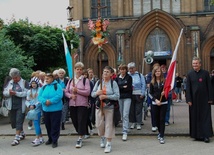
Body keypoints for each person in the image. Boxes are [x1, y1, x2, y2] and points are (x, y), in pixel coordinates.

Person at [91, 66, 120, 153]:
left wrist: (106, 96)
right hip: (99, 107)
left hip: (109, 107)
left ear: (111, 74)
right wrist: (97, 93)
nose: (105, 73)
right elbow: (92, 94)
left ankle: (108, 143)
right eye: (104, 71)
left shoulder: (113, 83)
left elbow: (117, 96)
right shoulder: (99, 82)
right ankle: (103, 137)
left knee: (109, 125)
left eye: (107, 72)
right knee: (99, 125)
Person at [186, 57, 213, 143]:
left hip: (204, 100)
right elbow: (188, 88)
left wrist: (210, 98)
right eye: (193, 64)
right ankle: (196, 135)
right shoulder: (189, 74)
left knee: (205, 118)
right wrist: (188, 99)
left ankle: (206, 135)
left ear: (200, 64)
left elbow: (209, 86)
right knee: (195, 117)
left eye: (196, 63)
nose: (195, 65)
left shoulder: (205, 73)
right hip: (193, 100)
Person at [65, 62, 91, 148]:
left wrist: (78, 91)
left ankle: (80, 137)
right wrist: (70, 95)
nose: (79, 71)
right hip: (72, 104)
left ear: (82, 70)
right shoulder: (71, 80)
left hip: (82, 104)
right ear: (75, 70)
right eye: (77, 69)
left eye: (80, 69)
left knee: (81, 120)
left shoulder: (85, 80)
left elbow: (87, 92)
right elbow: (66, 91)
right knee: (75, 121)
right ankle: (81, 132)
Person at [3, 68, 29, 146]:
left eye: (16, 78)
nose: (14, 79)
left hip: (21, 105)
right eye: (13, 78)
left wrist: (16, 93)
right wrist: (9, 93)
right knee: (13, 121)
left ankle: (16, 138)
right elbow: (4, 92)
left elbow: (27, 93)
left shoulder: (24, 82)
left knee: (19, 120)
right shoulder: (10, 82)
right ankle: (22, 133)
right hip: (11, 105)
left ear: (19, 75)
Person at [38, 73, 63, 148]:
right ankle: (50, 138)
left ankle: (55, 140)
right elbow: (39, 96)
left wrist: (50, 101)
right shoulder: (44, 87)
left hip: (56, 109)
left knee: (55, 125)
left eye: (48, 78)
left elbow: (59, 95)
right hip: (46, 109)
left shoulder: (57, 86)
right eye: (46, 78)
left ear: (52, 79)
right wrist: (45, 101)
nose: (46, 79)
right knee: (48, 125)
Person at [149, 65, 168, 144]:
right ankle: (159, 132)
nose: (158, 73)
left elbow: (169, 90)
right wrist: (155, 100)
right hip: (155, 103)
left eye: (159, 71)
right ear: (154, 73)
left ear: (161, 72)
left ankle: (162, 135)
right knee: (156, 120)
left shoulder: (165, 81)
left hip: (163, 103)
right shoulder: (152, 82)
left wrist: (165, 92)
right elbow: (150, 93)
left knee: (162, 119)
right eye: (156, 71)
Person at [25, 77, 45, 146]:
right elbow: (27, 100)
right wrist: (29, 105)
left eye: (35, 83)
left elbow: (40, 100)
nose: (33, 85)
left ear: (37, 83)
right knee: (36, 123)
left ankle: (37, 138)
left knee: (36, 123)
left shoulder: (40, 90)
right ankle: (41, 137)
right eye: (32, 83)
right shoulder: (29, 91)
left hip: (38, 109)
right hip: (32, 110)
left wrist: (35, 105)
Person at [115, 64, 132, 141]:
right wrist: (122, 87)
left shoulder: (129, 77)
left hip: (127, 97)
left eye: (124, 69)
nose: (122, 71)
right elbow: (116, 88)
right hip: (120, 97)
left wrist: (120, 87)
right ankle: (126, 126)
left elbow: (128, 88)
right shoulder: (117, 78)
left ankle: (124, 131)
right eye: (121, 69)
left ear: (126, 70)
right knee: (122, 114)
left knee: (125, 114)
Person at [128, 62, 146, 130]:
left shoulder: (139, 75)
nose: (130, 70)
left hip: (138, 94)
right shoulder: (128, 75)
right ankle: (133, 122)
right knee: (131, 109)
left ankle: (138, 123)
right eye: (129, 69)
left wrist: (142, 93)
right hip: (130, 94)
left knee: (138, 109)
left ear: (135, 68)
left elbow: (143, 84)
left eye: (132, 68)